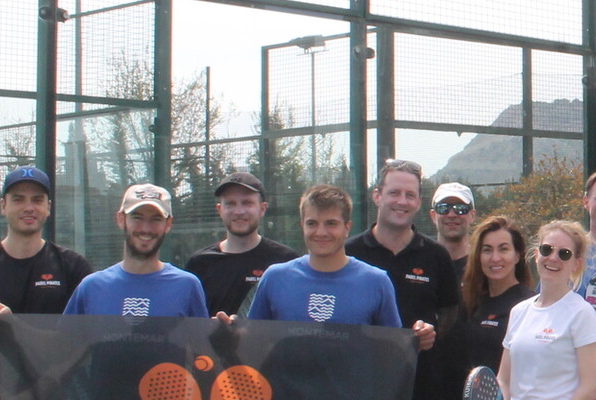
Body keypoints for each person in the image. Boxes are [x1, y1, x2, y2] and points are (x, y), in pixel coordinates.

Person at [0, 165, 94, 400]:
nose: (28, 207)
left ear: (48, 208)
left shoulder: (74, 268)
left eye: (37, 200)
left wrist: (42, 393)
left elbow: (78, 347)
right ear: (3, 205)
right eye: (18, 199)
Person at [232, 185, 432, 343]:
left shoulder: (377, 282)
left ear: (347, 228)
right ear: (302, 226)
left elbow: (392, 352)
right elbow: (252, 343)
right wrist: (229, 329)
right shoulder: (275, 278)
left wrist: (418, 339)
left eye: (331, 223)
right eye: (312, 223)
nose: (321, 232)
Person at [342, 159, 457, 399]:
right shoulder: (348, 252)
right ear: (377, 195)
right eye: (394, 193)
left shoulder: (436, 255)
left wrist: (431, 332)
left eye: (410, 195)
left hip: (418, 384)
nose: (401, 201)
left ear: (418, 202)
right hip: (357, 383)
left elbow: (449, 311)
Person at [62, 184, 206, 317]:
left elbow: (201, 342)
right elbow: (66, 342)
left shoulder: (187, 286)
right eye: (137, 218)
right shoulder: (91, 287)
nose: (146, 229)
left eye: (156, 219)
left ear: (168, 224)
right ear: (121, 219)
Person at [501, 220, 596, 400]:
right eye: (546, 249)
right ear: (536, 255)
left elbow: (588, 390)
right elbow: (503, 379)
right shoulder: (518, 311)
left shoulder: (582, 314)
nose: (553, 258)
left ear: (576, 264)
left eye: (564, 254)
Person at [182, 171, 300, 316]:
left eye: (247, 203)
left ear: (262, 209)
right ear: (219, 210)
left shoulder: (285, 260)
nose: (239, 211)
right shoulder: (199, 263)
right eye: (230, 203)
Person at [457, 216, 536, 374]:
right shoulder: (470, 301)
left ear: (517, 255)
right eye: (487, 250)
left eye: (503, 249)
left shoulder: (530, 306)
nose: (495, 258)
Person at [433, 182, 479, 272]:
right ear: (433, 216)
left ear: (472, 216)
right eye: (443, 208)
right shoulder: (419, 263)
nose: (451, 215)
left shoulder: (484, 265)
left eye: (460, 208)